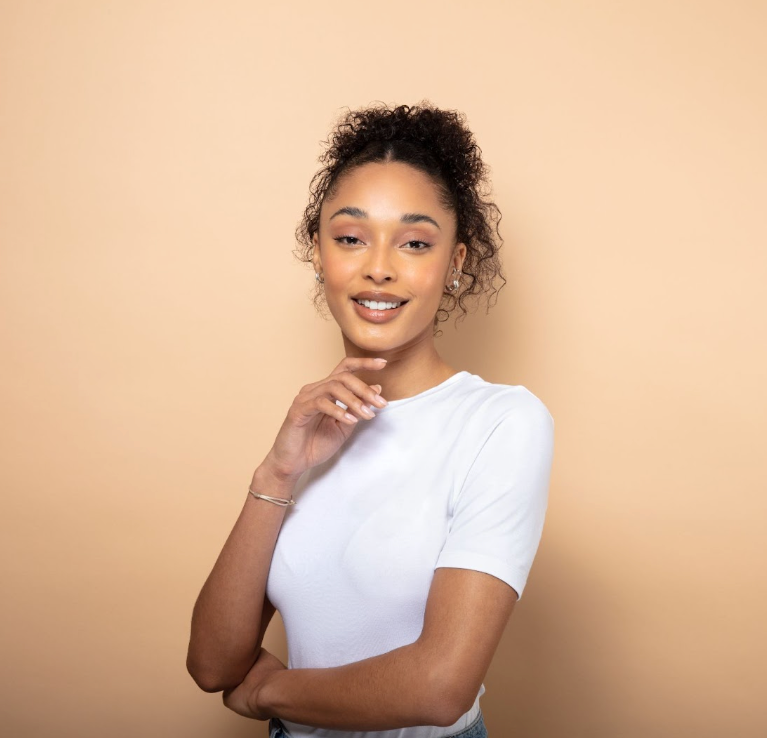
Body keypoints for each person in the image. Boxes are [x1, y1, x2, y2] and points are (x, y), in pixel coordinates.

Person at [187, 101, 556, 738]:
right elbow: (213, 661)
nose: (378, 266)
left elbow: (441, 688)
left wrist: (271, 691)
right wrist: (278, 469)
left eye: (414, 242)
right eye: (350, 237)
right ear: (318, 252)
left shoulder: (501, 422)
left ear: (458, 263)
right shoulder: (311, 429)